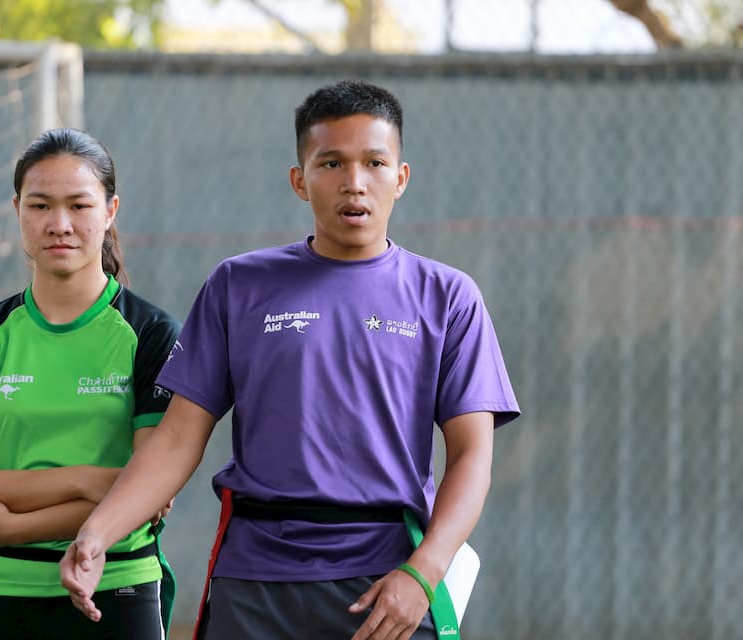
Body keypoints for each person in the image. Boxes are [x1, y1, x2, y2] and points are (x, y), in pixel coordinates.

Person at [61, 80, 520, 640]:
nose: (354, 182)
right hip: (254, 580)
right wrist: (97, 533)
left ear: (400, 178)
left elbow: (472, 455)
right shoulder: (238, 285)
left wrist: (424, 573)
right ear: (300, 180)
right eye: (331, 163)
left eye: (374, 162)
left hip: (387, 583)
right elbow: (178, 439)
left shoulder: (447, 296)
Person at [0, 128, 180, 640]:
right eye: (40, 206)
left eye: (79, 206)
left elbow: (147, 496)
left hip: (117, 583)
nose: (59, 224)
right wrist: (92, 479)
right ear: (17, 209)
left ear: (110, 211)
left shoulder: (152, 334)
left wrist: (14, 524)